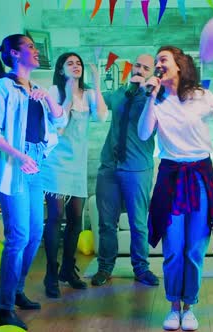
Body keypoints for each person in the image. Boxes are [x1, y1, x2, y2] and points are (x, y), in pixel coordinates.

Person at [138, 46, 213, 331]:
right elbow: (144, 133)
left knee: (195, 248)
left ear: (179, 65)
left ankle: (190, 306)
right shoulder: (156, 98)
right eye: (157, 60)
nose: (158, 64)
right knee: (173, 247)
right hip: (171, 175)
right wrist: (150, 95)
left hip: (199, 176)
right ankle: (174, 305)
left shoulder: (200, 95)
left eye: (163, 59)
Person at [0, 34, 67, 329]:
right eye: (30, 46)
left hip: (36, 163)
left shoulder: (37, 90)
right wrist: (19, 156)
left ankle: (17, 291)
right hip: (13, 164)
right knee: (17, 236)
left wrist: (48, 100)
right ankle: (3, 308)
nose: (36, 50)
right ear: (15, 54)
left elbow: (61, 121)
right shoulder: (2, 86)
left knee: (34, 234)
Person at [41, 52, 108, 298]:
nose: (76, 66)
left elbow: (102, 116)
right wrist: (68, 97)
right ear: (61, 70)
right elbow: (58, 127)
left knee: (76, 219)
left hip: (77, 165)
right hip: (56, 164)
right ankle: (51, 272)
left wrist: (97, 82)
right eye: (70, 63)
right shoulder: (54, 92)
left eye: (78, 63)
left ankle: (68, 270)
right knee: (56, 216)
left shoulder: (89, 94)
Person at [91, 54, 160, 287]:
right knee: (106, 223)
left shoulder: (155, 98)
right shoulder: (119, 93)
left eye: (145, 67)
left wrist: (146, 92)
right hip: (109, 167)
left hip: (137, 169)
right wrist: (94, 79)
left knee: (138, 223)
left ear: (152, 73)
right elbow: (97, 103)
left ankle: (141, 268)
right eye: (136, 65)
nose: (139, 69)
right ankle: (104, 268)